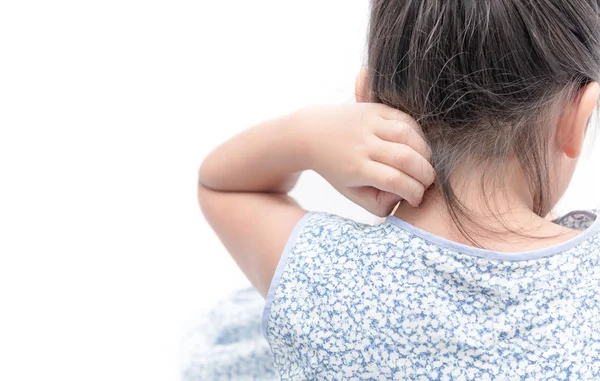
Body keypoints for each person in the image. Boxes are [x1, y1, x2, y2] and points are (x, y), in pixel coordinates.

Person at [196, 0, 600, 379]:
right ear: (577, 117)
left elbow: (223, 186)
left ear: (367, 98)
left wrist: (304, 135)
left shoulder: (319, 274)